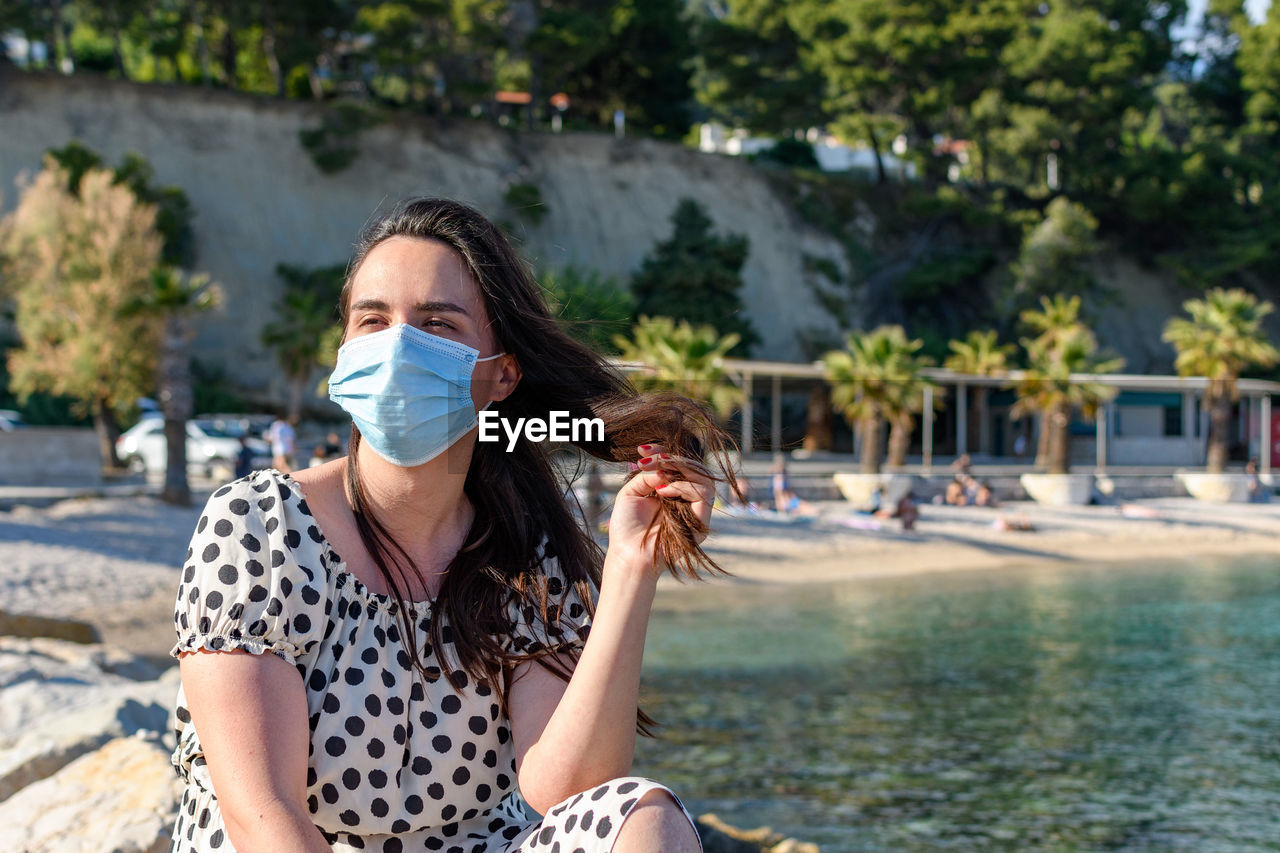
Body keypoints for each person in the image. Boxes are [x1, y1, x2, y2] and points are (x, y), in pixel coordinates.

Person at [169, 198, 731, 853]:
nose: (398, 344)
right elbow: (260, 813)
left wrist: (632, 567)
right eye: (372, 319)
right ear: (344, 354)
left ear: (502, 374)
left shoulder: (520, 553)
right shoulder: (260, 528)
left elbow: (568, 783)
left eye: (437, 323)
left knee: (643, 817)